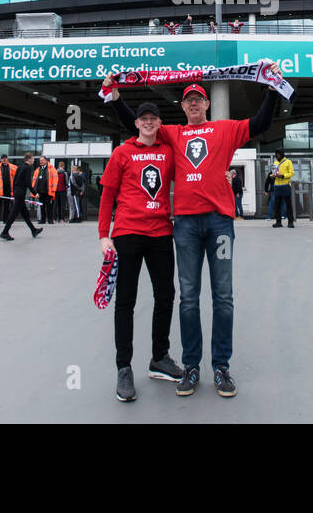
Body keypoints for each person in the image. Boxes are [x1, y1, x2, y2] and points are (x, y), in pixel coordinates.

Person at [104, 72, 282, 398]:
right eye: (189, 99)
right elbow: (137, 123)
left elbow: (260, 123)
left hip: (220, 224)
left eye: (199, 98)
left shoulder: (225, 129)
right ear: (183, 106)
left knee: (223, 296)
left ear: (208, 104)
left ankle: (221, 367)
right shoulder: (172, 134)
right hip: (184, 225)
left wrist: (272, 90)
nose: (194, 102)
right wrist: (116, 98)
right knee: (188, 297)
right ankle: (191, 366)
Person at [99, 101, 184, 401]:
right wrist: (103, 235)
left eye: (153, 118)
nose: (148, 122)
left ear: (160, 123)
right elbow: (108, 193)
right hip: (127, 233)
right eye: (143, 118)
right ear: (136, 124)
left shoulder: (169, 153)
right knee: (125, 301)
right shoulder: (122, 153)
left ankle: (159, 357)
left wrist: (225, 178)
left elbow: (190, 175)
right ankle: (124, 368)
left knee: (166, 296)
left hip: (161, 232)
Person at [0, 152, 42, 241]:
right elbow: (28, 183)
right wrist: (35, 193)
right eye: (33, 158)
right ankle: (4, 232)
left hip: (17, 192)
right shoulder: (28, 168)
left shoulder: (20, 167)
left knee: (25, 214)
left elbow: (14, 180)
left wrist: (14, 191)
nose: (34, 160)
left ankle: (33, 230)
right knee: (13, 213)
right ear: (29, 159)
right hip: (20, 193)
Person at [269, 151, 295, 228]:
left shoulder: (288, 162)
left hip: (286, 185)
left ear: (282, 154)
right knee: (277, 205)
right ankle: (278, 222)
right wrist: (272, 175)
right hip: (277, 186)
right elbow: (272, 172)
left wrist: (283, 176)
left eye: (279, 154)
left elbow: (292, 173)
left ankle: (290, 222)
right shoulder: (275, 162)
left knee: (288, 205)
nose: (277, 155)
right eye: (276, 154)